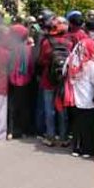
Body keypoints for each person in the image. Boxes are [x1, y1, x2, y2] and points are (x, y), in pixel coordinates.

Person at [38, 16, 73, 147]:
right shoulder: (69, 43)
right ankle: (63, 138)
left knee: (49, 110)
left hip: (48, 79)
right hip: (63, 80)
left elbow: (40, 60)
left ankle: (50, 137)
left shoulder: (46, 43)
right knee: (62, 109)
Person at [64, 38, 94, 158]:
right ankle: (87, 149)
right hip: (88, 99)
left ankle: (76, 148)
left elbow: (65, 74)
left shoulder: (71, 60)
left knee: (76, 124)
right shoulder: (91, 65)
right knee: (88, 126)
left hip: (74, 98)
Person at [7, 24, 35, 139]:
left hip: (12, 80)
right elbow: (31, 66)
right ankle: (23, 131)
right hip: (26, 80)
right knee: (24, 106)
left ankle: (11, 131)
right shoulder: (29, 49)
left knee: (12, 106)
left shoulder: (10, 49)